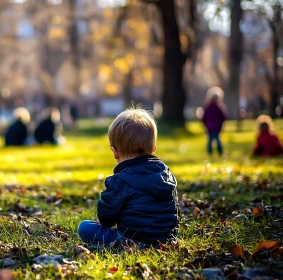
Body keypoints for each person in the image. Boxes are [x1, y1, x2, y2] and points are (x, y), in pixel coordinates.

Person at [77, 108, 178, 249]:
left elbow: (106, 219)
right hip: (165, 240)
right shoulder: (166, 175)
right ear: (154, 148)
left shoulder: (120, 181)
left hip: (130, 242)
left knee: (85, 227)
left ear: (115, 152)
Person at [202, 91, 226, 156]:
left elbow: (204, 117)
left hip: (209, 126)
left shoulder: (208, 107)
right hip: (217, 126)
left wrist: (205, 125)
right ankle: (220, 151)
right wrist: (222, 124)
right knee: (217, 139)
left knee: (210, 140)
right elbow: (223, 117)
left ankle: (209, 152)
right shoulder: (219, 107)